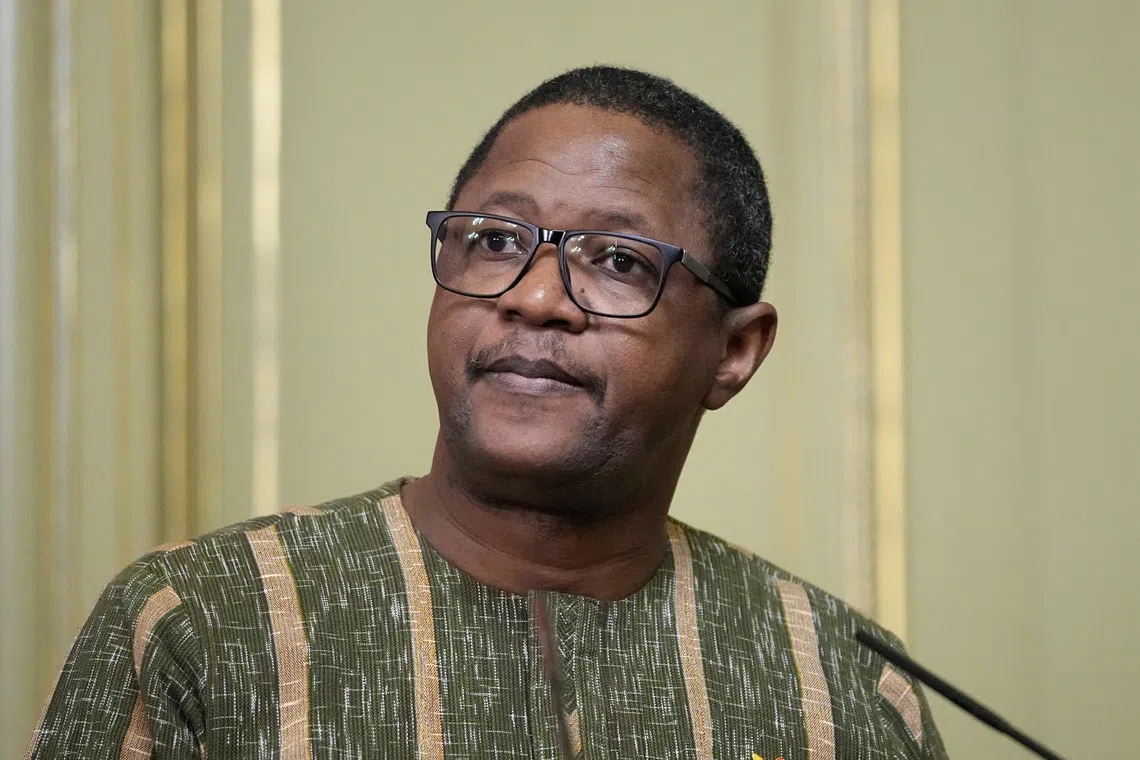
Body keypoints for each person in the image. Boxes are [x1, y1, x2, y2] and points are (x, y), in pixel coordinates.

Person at [26, 66, 948, 759]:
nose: (536, 299)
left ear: (735, 352)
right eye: (495, 241)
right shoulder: (207, 620)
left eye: (618, 260)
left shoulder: (840, 680)